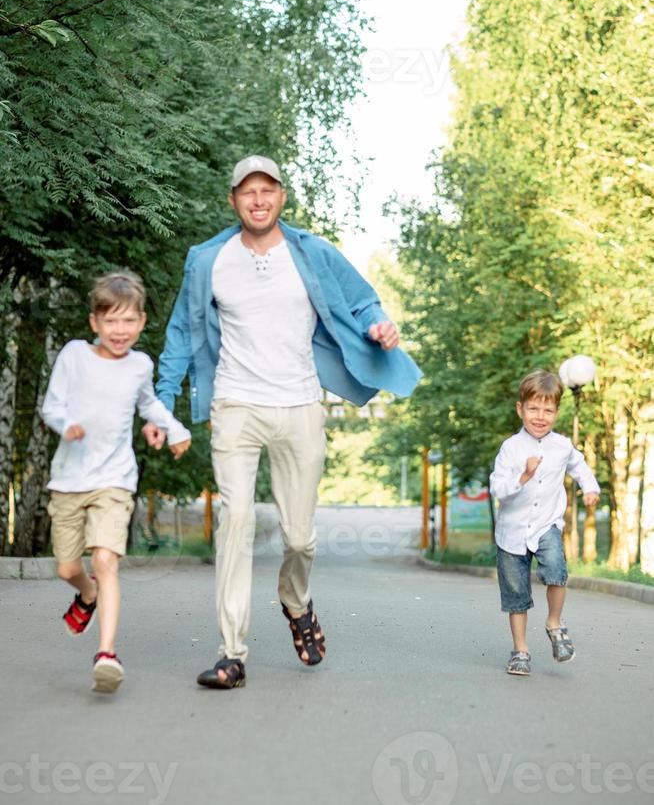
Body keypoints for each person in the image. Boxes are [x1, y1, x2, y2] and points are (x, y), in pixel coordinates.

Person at [143, 154, 422, 689]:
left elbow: (363, 302)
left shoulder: (311, 252)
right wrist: (163, 404)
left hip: (298, 405)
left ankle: (296, 600)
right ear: (233, 200)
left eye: (267, 190)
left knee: (299, 538)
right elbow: (180, 332)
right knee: (236, 524)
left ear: (281, 197)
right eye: (247, 192)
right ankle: (231, 652)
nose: (258, 200)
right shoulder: (208, 260)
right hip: (235, 405)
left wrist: (380, 326)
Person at [42, 271, 191, 694]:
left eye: (128, 321)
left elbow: (149, 405)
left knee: (106, 559)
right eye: (111, 321)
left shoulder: (141, 365)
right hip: (69, 479)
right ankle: (85, 595)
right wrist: (67, 424)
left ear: (142, 322)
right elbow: (52, 406)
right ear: (95, 323)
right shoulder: (74, 355)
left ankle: (106, 653)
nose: (120, 330)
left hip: (115, 479)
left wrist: (175, 430)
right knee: (68, 566)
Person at [490, 369, 600, 676]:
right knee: (516, 595)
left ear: (556, 412)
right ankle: (520, 651)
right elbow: (497, 488)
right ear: (520, 408)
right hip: (511, 533)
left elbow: (580, 466)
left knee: (556, 570)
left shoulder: (562, 446)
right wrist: (522, 477)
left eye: (548, 410)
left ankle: (554, 623)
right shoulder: (511, 448)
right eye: (533, 408)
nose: (540, 416)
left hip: (546, 525)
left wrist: (590, 488)